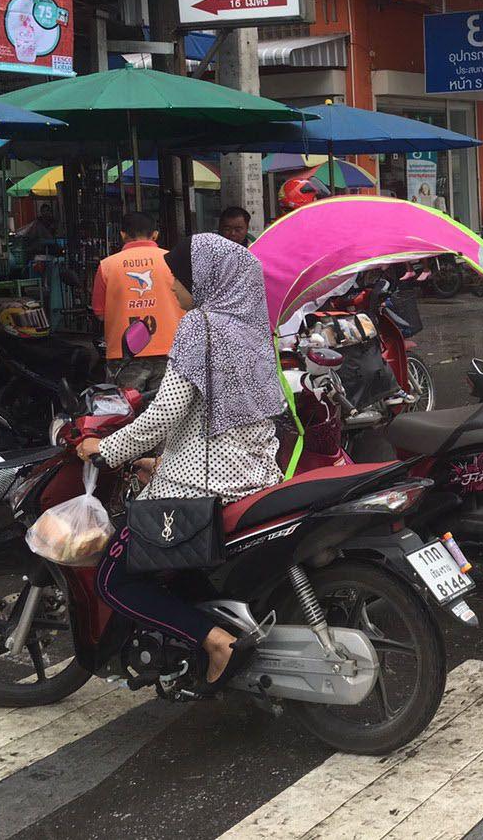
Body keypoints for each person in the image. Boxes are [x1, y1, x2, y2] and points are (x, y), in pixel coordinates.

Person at [78, 234, 284, 691]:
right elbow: (215, 418)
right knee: (177, 573)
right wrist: (161, 459)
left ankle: (214, 642)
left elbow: (166, 412)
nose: (171, 291)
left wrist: (107, 450)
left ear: (207, 282)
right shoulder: (251, 327)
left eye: (178, 282)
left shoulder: (201, 326)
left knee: (114, 580)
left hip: (199, 488)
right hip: (252, 478)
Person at [91, 211, 181, 393]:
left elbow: (100, 314)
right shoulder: (173, 260)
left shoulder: (107, 266)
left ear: (122, 234)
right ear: (155, 234)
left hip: (125, 355)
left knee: (127, 413)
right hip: (170, 350)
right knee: (168, 414)